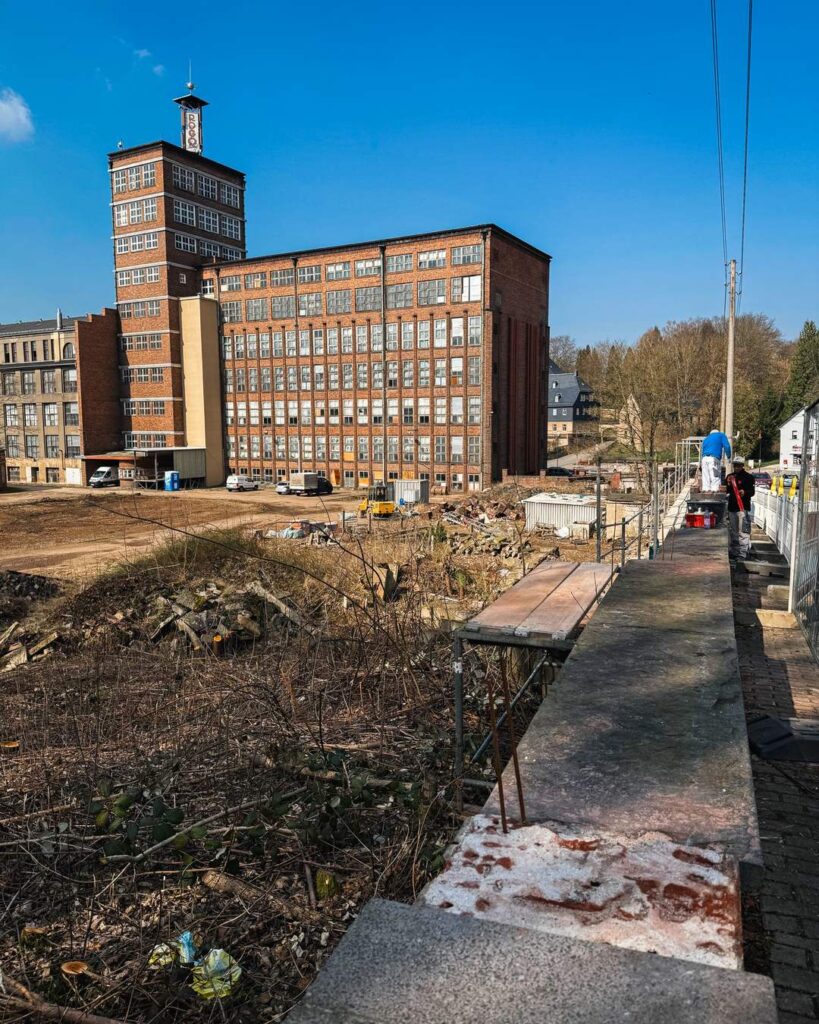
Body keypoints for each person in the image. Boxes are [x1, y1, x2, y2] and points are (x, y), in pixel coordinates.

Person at [725, 456, 755, 560]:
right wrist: (727, 483)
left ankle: (742, 553)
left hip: (742, 508)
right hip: (732, 508)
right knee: (733, 531)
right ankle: (734, 551)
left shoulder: (749, 477)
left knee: (743, 531)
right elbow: (726, 490)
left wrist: (745, 492)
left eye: (738, 465)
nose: (736, 467)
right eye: (735, 465)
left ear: (742, 465)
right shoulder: (729, 477)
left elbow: (752, 492)